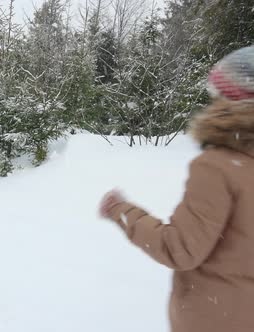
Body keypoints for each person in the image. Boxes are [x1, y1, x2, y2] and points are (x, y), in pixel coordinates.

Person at [99, 46, 254, 332]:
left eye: (217, 96)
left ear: (230, 99)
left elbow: (179, 249)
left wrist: (121, 211)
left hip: (216, 320)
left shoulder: (218, 166)